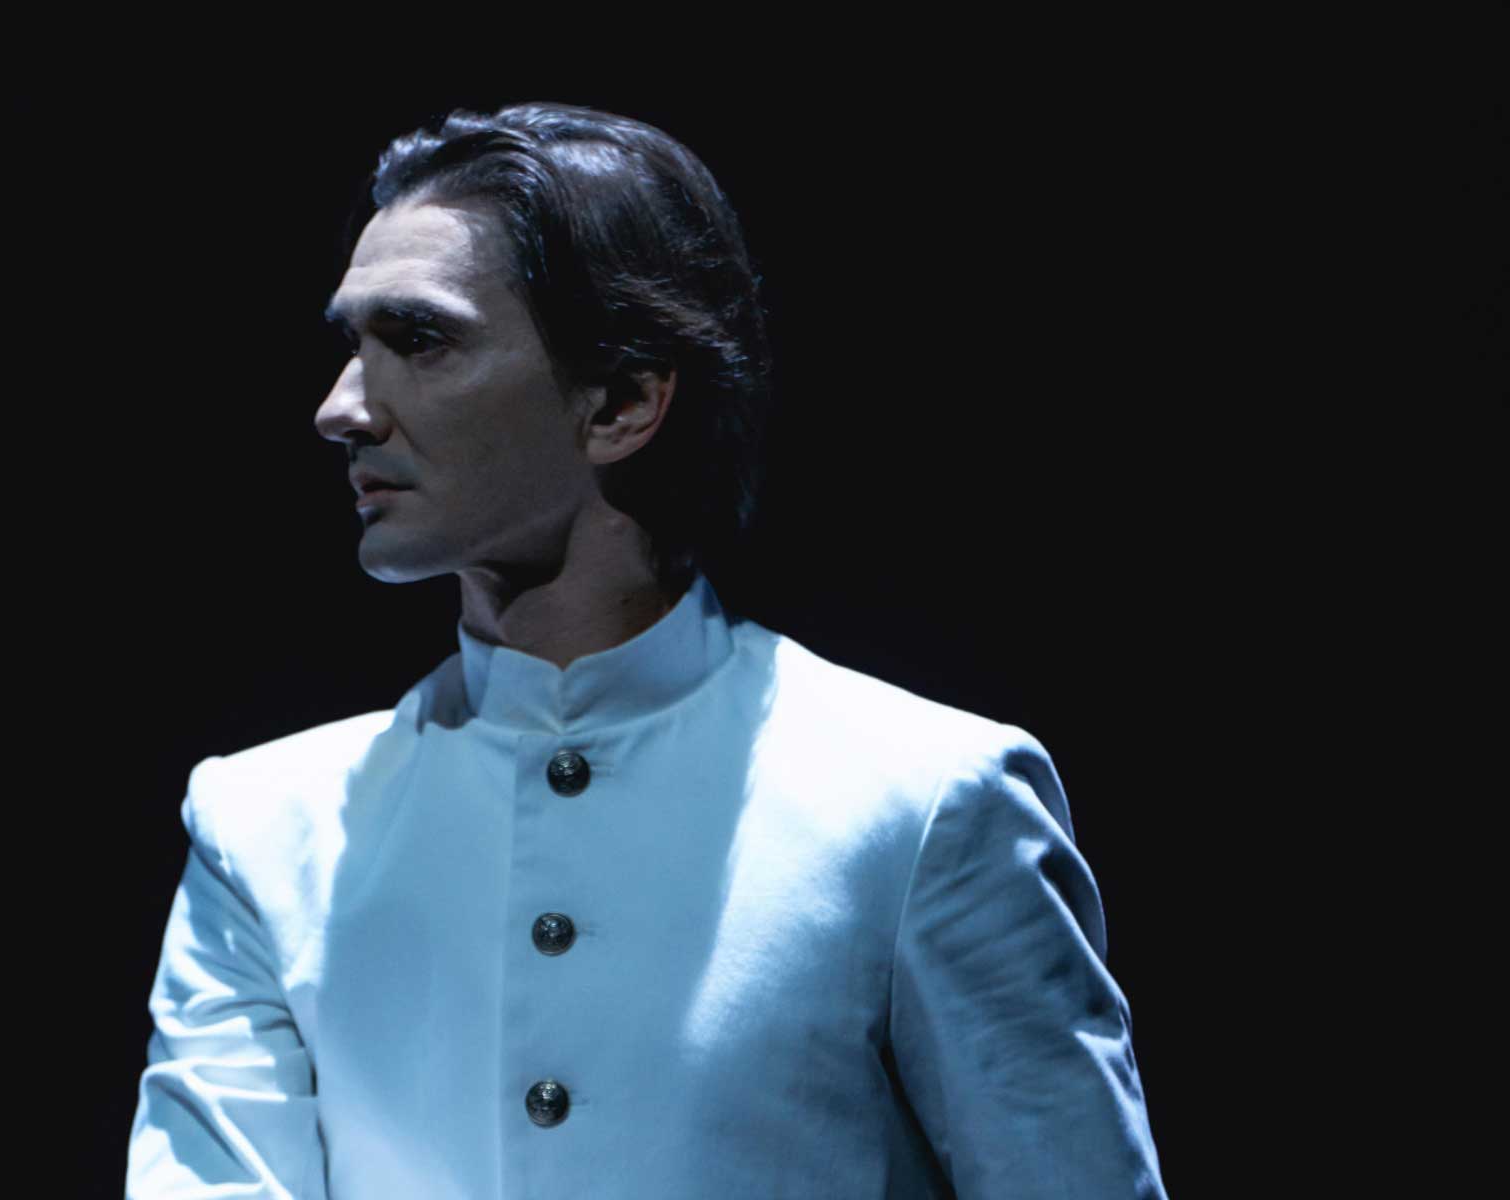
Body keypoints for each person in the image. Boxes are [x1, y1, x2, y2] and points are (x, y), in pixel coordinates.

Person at [126, 101, 1168, 1198]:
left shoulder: (924, 803)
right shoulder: (264, 827)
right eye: (352, 345)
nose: (341, 409)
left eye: (420, 341)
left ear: (623, 401)